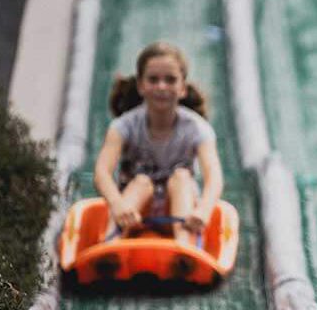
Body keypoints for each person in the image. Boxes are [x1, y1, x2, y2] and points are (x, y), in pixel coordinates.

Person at [93, 41, 222, 246]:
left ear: (182, 88)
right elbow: (102, 172)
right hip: (133, 214)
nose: (162, 87)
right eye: (153, 80)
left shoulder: (197, 129)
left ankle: (185, 246)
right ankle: (111, 243)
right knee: (141, 182)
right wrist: (117, 205)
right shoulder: (124, 126)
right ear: (141, 86)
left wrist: (204, 210)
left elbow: (214, 176)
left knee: (181, 178)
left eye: (170, 80)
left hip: (180, 216)